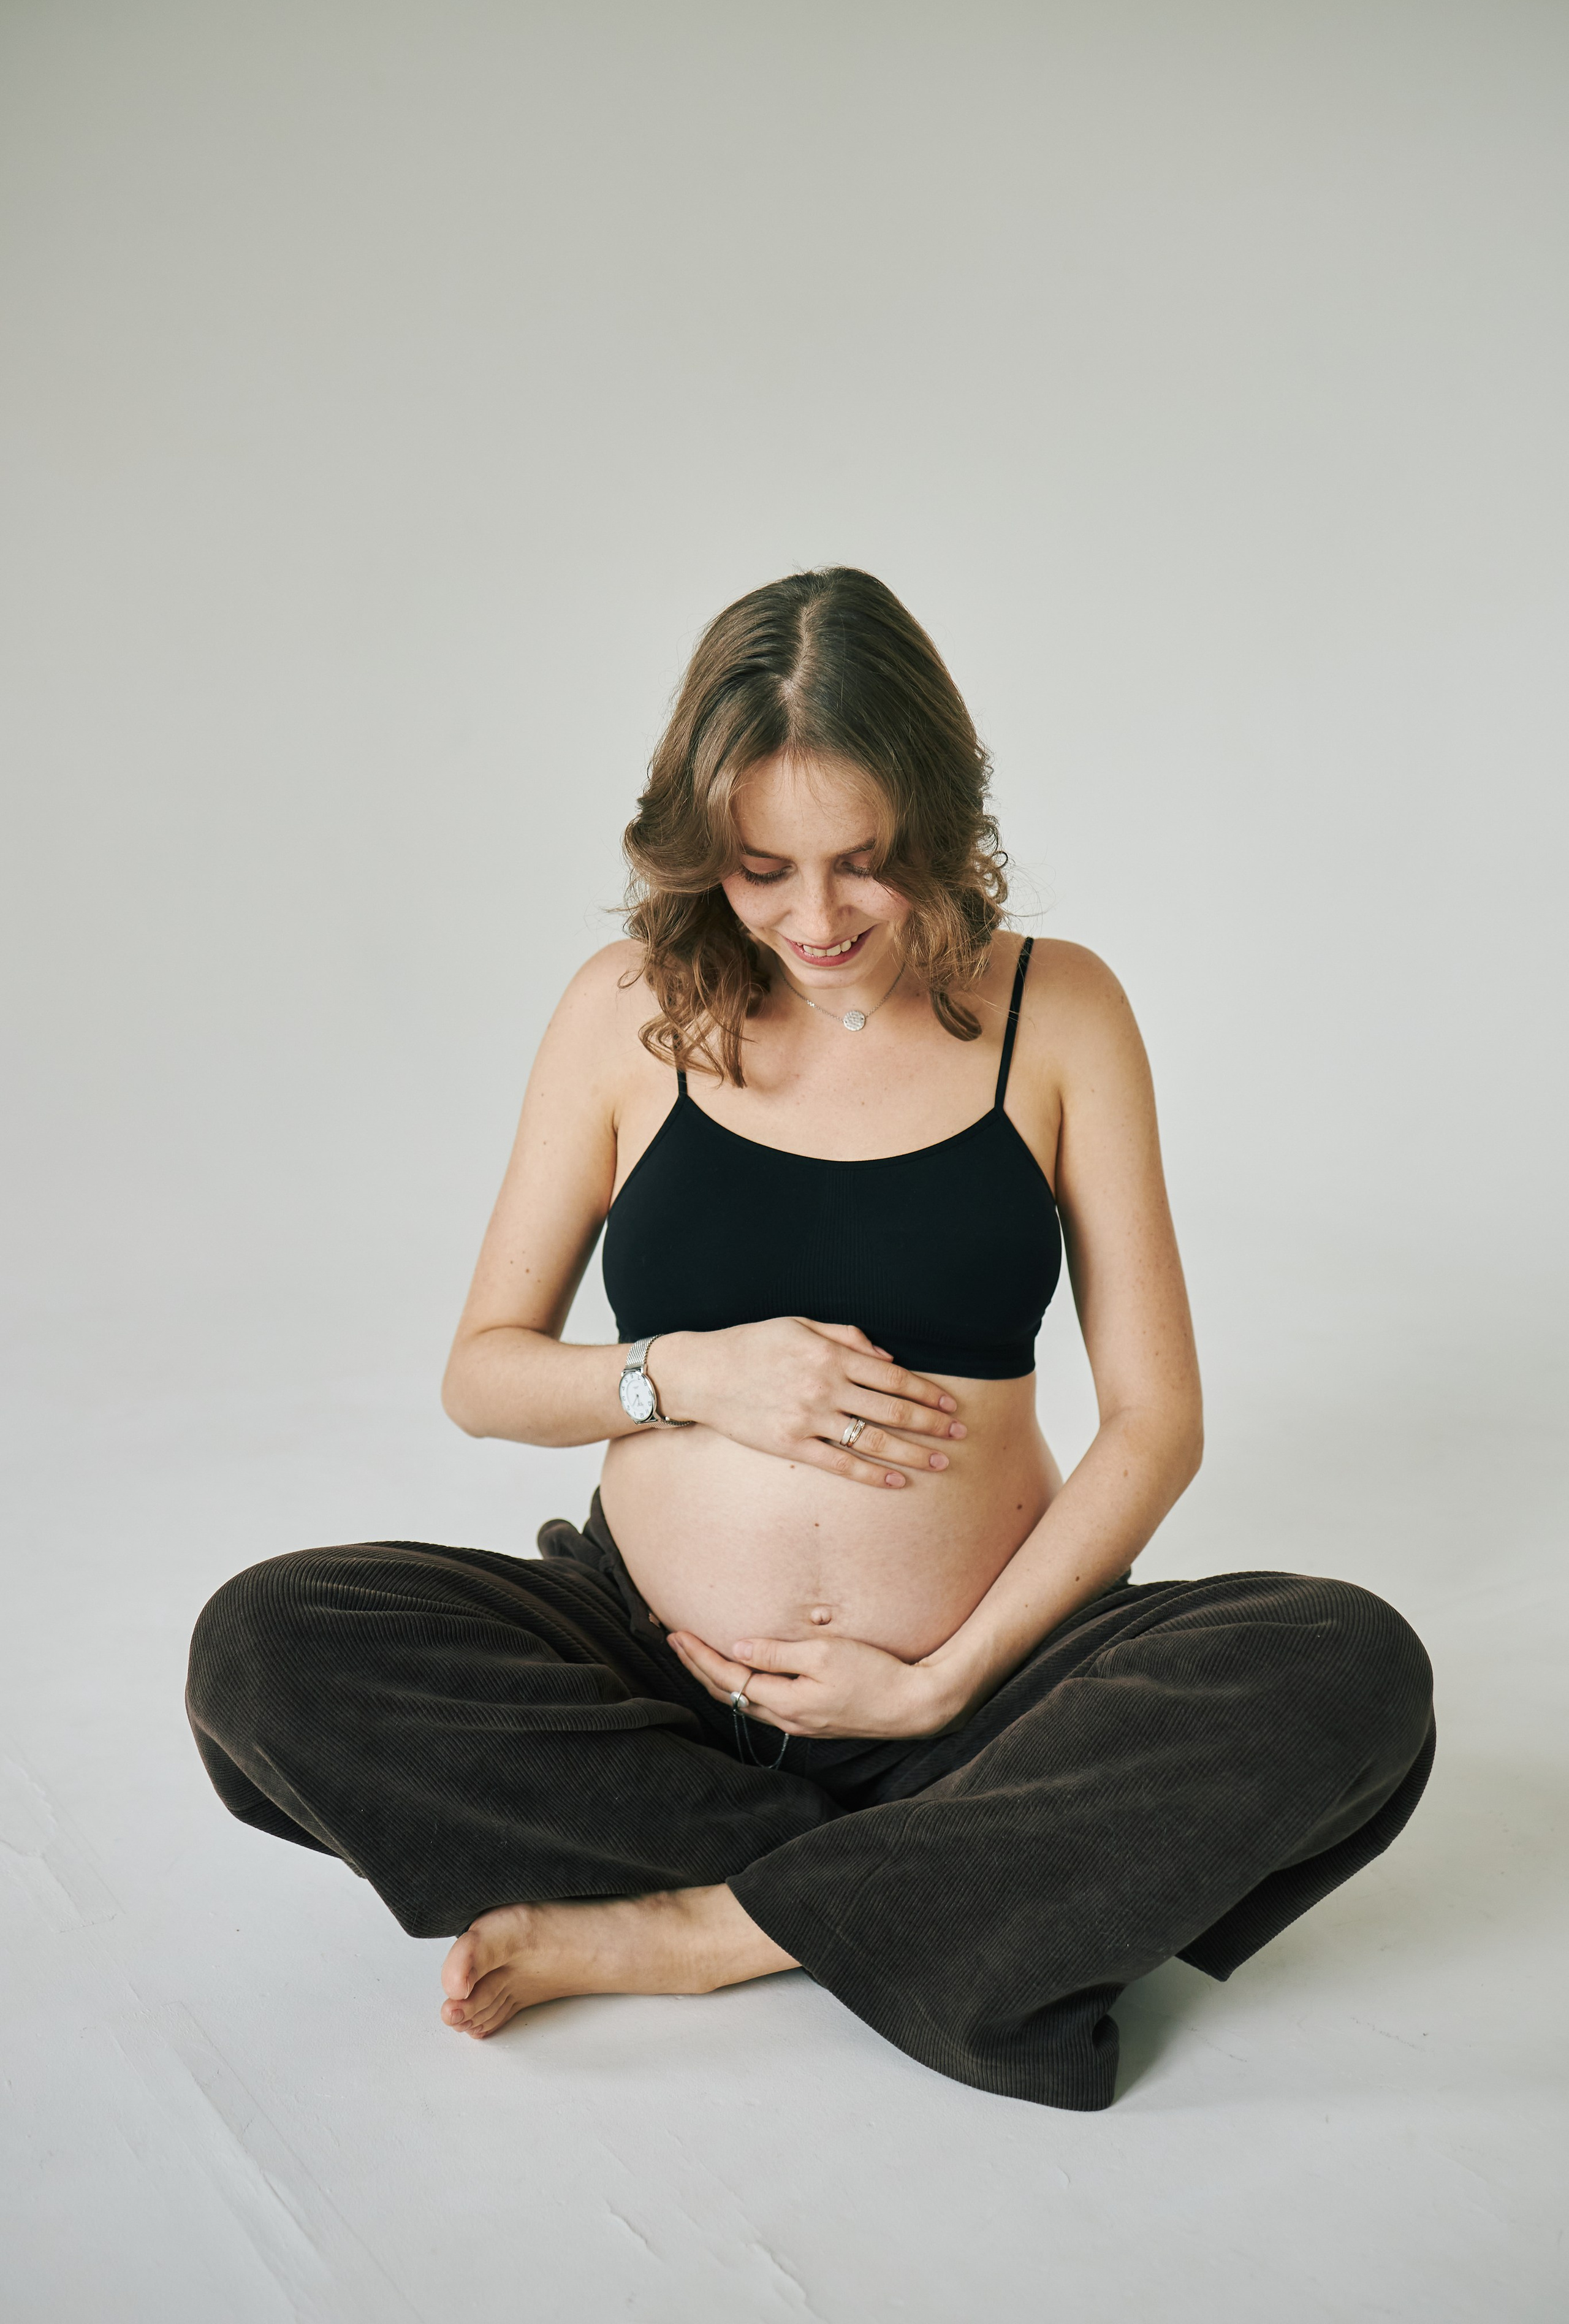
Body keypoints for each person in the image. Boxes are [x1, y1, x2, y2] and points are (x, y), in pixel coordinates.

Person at [187, 567, 1434, 2110]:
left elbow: (1153, 1423)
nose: (817, 918)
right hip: (652, 1674)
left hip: (981, 1701)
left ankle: (709, 1928)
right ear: (696, 845)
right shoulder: (624, 1009)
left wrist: (941, 1683)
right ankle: (929, 1893)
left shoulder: (1059, 1010)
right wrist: (686, 1376)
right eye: (761, 869)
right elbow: (484, 1373)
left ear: (936, 819)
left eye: (864, 862)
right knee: (265, 1649)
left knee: (1347, 1669)